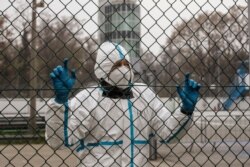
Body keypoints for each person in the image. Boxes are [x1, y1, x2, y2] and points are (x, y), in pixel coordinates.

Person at [45, 41, 201, 167]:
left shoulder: (144, 95)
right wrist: (60, 102)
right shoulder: (87, 98)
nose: (124, 69)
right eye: (117, 65)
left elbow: (168, 133)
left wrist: (185, 111)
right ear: (102, 69)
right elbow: (58, 141)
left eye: (127, 64)